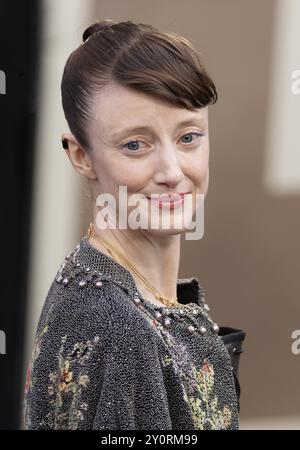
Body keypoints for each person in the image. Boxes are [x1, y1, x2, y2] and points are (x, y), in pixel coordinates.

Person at [23, 19, 246, 430]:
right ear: (81, 156)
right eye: (134, 145)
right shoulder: (118, 328)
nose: (172, 171)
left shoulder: (100, 289)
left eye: (189, 137)